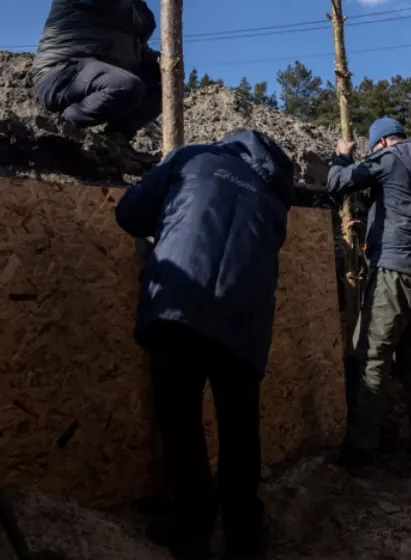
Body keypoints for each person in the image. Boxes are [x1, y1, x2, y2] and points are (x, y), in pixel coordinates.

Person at [115, 129, 295, 560]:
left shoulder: (189, 157)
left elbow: (129, 213)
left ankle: (191, 531)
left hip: (179, 308)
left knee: (181, 425)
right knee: (239, 433)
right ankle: (244, 538)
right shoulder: (274, 199)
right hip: (244, 325)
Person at [326, 117, 411, 470]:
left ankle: (360, 451)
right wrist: (364, 224)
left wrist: (342, 156)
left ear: (380, 143)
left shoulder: (388, 158)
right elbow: (401, 207)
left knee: (372, 357)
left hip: (394, 274)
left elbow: (337, 184)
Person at [30, 0, 192, 136]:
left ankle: (116, 139)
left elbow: (138, 52)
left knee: (166, 82)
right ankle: (64, 127)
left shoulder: (136, 12)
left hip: (101, 79)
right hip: (62, 74)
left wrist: (167, 65)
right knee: (126, 85)